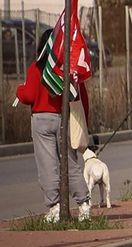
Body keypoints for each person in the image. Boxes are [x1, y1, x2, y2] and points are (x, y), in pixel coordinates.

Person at [16, 33, 92, 223]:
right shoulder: (69, 70)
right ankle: (83, 203)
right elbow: (81, 97)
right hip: (64, 117)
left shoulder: (36, 68)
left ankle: (54, 207)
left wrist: (19, 90)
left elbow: (28, 95)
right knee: (70, 163)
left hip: (41, 119)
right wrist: (84, 121)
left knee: (47, 165)